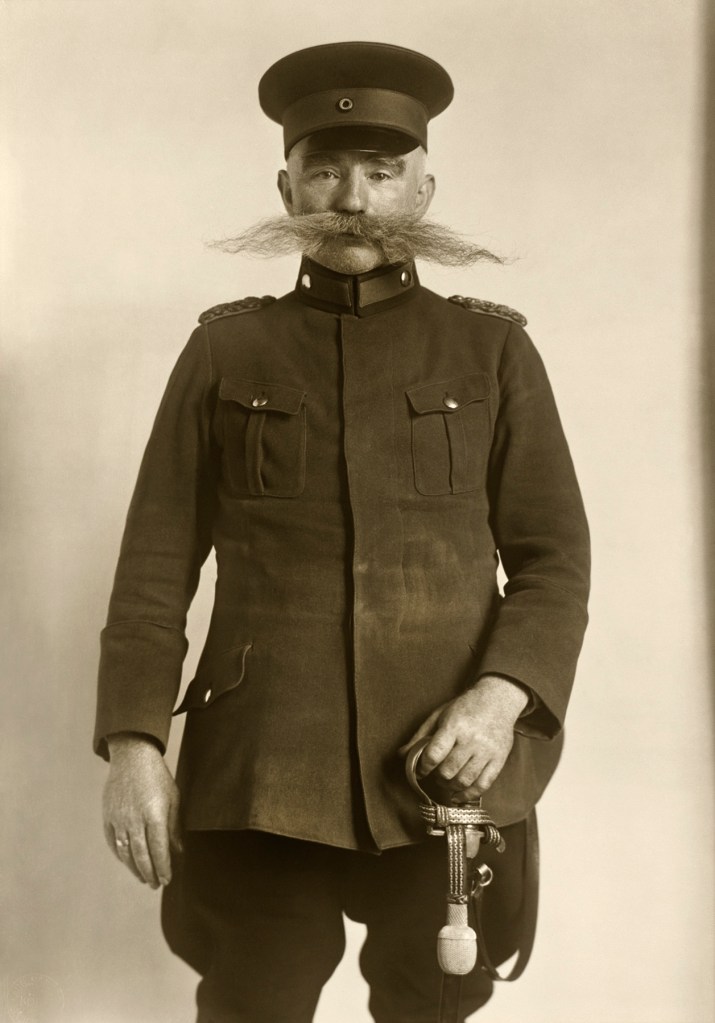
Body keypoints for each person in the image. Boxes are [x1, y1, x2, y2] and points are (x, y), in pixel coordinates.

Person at [95, 41, 590, 1023]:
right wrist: (133, 743)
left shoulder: (491, 350)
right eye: (324, 168)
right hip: (264, 765)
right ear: (286, 185)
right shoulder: (225, 349)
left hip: (445, 768)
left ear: (423, 183)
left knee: (430, 1008)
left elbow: (552, 560)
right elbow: (153, 568)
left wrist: (498, 701)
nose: (352, 199)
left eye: (381, 169)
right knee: (253, 1006)